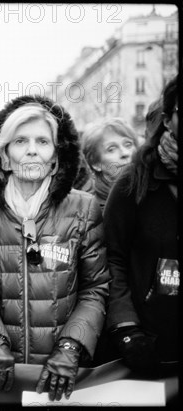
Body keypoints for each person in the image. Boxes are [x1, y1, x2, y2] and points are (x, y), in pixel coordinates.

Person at [0, 95, 110, 401]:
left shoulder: (84, 208)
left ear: (56, 156)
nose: (32, 149)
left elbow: (96, 288)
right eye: (20, 141)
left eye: (42, 141)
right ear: (4, 155)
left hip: (62, 377)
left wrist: (72, 345)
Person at [103, 75, 178, 376]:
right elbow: (111, 257)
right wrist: (126, 327)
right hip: (149, 347)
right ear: (168, 120)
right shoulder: (134, 180)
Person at [81, 118, 139, 211]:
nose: (125, 153)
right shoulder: (86, 208)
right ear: (95, 163)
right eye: (111, 149)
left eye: (128, 145)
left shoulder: (156, 192)